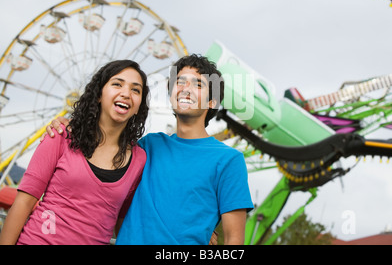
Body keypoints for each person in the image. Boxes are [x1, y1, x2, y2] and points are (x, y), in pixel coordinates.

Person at [40, 54, 253, 245]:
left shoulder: (228, 160)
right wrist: (68, 125)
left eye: (198, 84)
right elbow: (100, 163)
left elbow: (234, 238)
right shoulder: (148, 146)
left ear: (212, 101)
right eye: (179, 82)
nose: (185, 89)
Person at [0, 60, 149, 245]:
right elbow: (23, 202)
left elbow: (122, 223)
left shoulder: (139, 160)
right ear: (99, 95)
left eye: (136, 90)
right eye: (117, 84)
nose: (126, 93)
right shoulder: (61, 135)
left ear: (138, 106)